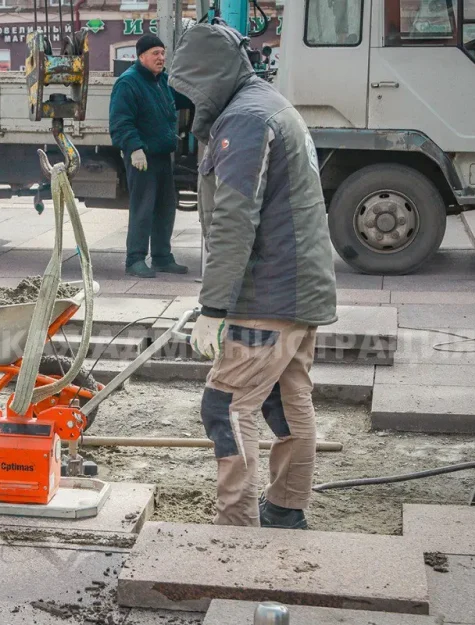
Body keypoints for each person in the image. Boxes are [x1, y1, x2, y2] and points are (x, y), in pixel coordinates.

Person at [169, 21, 337, 529]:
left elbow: (235, 218)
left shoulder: (243, 120)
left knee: (225, 405)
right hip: (299, 291)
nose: (187, 105)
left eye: (188, 90)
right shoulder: (269, 105)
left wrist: (214, 307)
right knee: (287, 404)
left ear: (206, 77)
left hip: (268, 296)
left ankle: (237, 527)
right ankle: (286, 510)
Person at [109, 34, 192, 279]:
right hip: (142, 157)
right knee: (143, 209)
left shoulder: (162, 81)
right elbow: (120, 122)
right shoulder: (128, 83)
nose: (161, 58)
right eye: (155, 53)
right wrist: (134, 148)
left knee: (165, 209)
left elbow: (185, 99)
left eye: (163, 53)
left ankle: (162, 258)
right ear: (141, 56)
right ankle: (134, 260)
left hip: (162, 156)